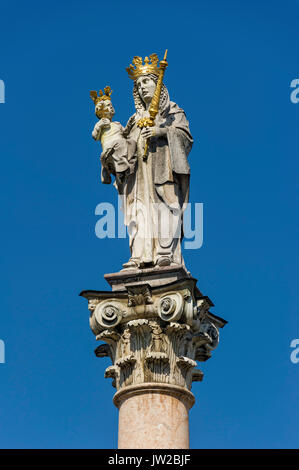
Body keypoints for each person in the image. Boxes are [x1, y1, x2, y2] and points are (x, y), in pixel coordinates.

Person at [120, 56, 193, 269]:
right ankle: (139, 255)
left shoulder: (172, 112)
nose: (142, 87)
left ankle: (165, 253)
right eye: (138, 84)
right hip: (139, 178)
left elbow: (186, 138)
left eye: (146, 82)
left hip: (163, 172)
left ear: (157, 83)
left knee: (165, 207)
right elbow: (124, 153)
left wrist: (162, 131)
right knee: (138, 211)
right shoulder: (133, 120)